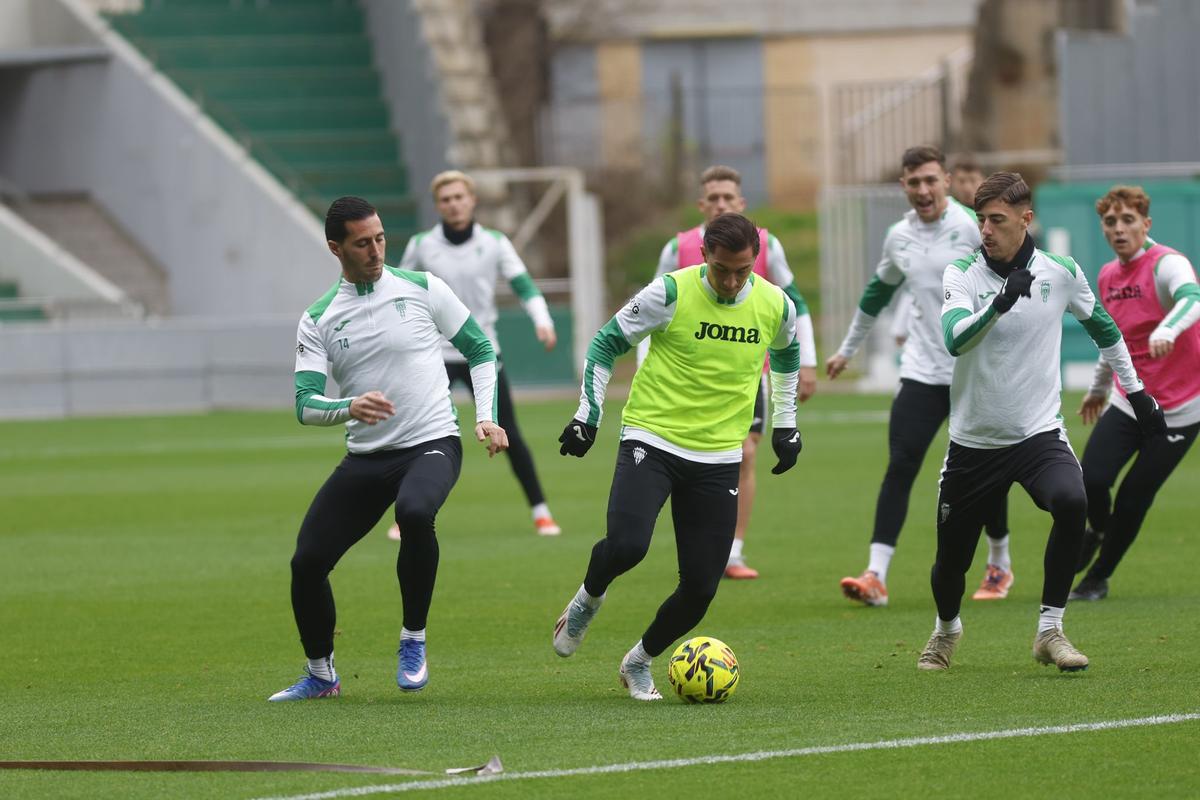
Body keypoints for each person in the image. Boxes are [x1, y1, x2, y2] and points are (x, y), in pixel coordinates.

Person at [919, 172, 1165, 673]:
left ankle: (1050, 629)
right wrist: (1000, 302)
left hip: (1037, 434)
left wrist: (1137, 394)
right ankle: (946, 631)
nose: (985, 229)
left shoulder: (1062, 271)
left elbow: (1105, 329)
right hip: (974, 442)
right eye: (981, 218)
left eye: (997, 220)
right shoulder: (961, 273)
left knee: (1073, 501)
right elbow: (955, 339)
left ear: (1025, 219)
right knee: (951, 565)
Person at [552, 213, 804, 700]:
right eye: (721, 269)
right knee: (627, 546)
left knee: (701, 590)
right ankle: (587, 599)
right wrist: (588, 414)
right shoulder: (668, 293)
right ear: (704, 255)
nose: (732, 282)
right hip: (653, 437)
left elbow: (788, 355)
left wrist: (787, 425)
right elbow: (606, 344)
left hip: (719, 457)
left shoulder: (776, 304)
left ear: (756, 260)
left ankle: (638, 661)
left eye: (743, 271)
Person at [269, 196, 509, 701]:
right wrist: (349, 406)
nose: (376, 250)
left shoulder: (422, 288)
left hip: (431, 443)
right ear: (336, 248)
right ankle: (320, 674)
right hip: (366, 457)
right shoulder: (318, 319)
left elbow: (480, 349)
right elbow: (305, 404)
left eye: (380, 238)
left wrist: (486, 416)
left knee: (416, 510)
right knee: (306, 563)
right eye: (362, 243)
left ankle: (413, 640)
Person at [828, 146, 1014, 607]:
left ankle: (999, 563)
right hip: (923, 370)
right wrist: (846, 349)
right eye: (914, 183)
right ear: (903, 187)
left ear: (947, 181)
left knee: (986, 471)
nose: (924, 190)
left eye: (931, 180)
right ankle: (876, 575)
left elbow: (1011, 278)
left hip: (974, 370)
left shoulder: (974, 227)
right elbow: (876, 293)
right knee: (901, 463)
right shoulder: (898, 237)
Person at [638, 165, 818, 579]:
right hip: (683, 380)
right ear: (702, 205)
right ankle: (693, 544)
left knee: (746, 453)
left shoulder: (768, 246)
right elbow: (647, 311)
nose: (720, 204)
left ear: (741, 204)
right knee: (683, 457)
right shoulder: (677, 247)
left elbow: (796, 304)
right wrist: (648, 363)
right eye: (712, 198)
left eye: (728, 198)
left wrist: (805, 359)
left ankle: (732, 552)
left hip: (749, 373)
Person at [391, 169, 561, 539]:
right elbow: (397, 291)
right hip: (434, 353)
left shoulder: (495, 242)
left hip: (482, 353)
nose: (453, 204)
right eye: (445, 199)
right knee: (415, 432)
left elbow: (523, 285)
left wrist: (542, 319)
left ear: (472, 201)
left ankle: (541, 511)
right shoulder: (422, 244)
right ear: (438, 205)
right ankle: (403, 516)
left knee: (509, 431)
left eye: (459, 197)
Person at [1071, 186, 1200, 600]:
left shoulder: (1167, 264)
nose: (1119, 229)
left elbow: (1192, 299)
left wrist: (1168, 328)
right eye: (1111, 222)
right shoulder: (1109, 275)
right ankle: (1096, 529)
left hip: (1180, 409)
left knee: (1133, 498)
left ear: (1146, 224)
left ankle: (1098, 578)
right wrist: (1098, 388)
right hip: (1131, 400)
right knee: (1091, 478)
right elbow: (1115, 338)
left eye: (1128, 220)